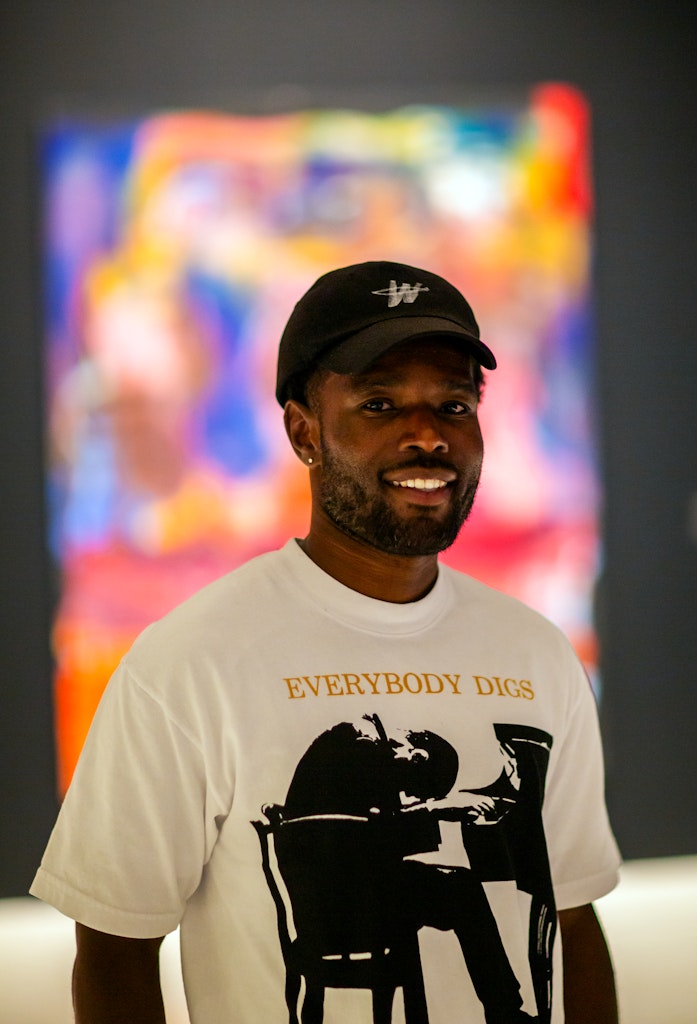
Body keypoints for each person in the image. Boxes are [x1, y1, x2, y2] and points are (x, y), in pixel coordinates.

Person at [31, 260, 621, 1023]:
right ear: (303, 430)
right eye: (380, 403)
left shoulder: (539, 656)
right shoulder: (188, 662)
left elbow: (571, 916)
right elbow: (114, 952)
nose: (427, 435)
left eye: (453, 403)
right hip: (355, 909)